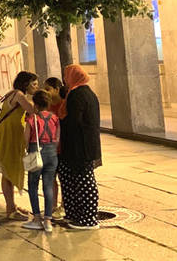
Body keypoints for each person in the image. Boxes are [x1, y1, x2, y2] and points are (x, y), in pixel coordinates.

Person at [0, 71, 39, 220]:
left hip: (10, 133)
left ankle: (11, 205)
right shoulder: (19, 95)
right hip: (9, 135)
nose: (37, 87)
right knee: (8, 170)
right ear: (26, 84)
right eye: (34, 84)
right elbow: (33, 111)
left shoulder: (13, 93)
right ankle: (10, 209)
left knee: (9, 169)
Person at [58, 64, 102, 230]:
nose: (64, 79)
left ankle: (88, 219)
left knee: (84, 181)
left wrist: (59, 122)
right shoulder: (86, 92)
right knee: (75, 180)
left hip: (80, 146)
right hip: (82, 145)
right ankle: (76, 216)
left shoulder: (77, 94)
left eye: (66, 75)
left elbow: (74, 121)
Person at [22, 90, 60, 233]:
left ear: (35, 104)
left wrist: (27, 151)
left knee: (32, 184)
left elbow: (26, 139)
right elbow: (57, 137)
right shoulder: (54, 118)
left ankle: (37, 218)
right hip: (52, 153)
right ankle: (48, 221)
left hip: (35, 152)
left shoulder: (32, 119)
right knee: (48, 186)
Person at [44, 77, 68, 220]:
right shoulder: (46, 106)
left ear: (57, 89)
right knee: (51, 178)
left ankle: (64, 206)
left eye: (48, 89)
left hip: (61, 148)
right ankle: (53, 207)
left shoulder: (64, 105)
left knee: (63, 178)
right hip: (49, 148)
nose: (46, 92)